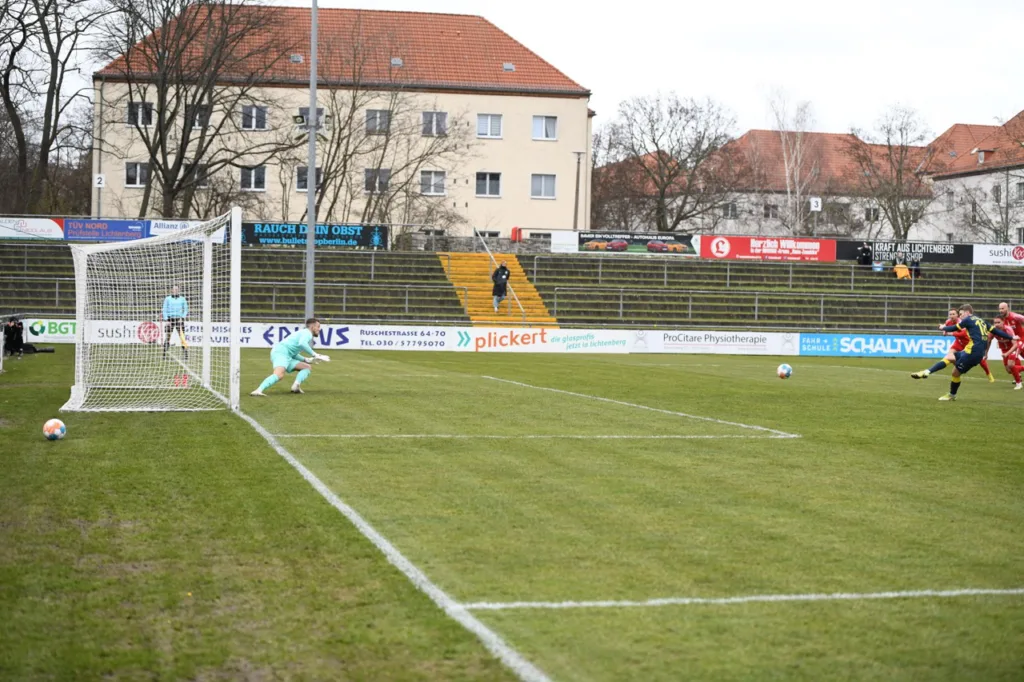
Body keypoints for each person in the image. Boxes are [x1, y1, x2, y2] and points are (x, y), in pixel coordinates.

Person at [911, 304, 1013, 400]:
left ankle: (951, 395)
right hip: (972, 351)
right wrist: (1011, 337)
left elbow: (954, 328)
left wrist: (943, 327)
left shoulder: (968, 319)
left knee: (955, 373)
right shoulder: (981, 320)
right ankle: (926, 372)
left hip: (972, 353)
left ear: (967, 312)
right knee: (949, 357)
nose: (960, 316)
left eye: (961, 314)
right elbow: (996, 331)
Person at [250, 317, 330, 396]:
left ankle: (296, 386)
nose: (319, 329)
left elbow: (293, 353)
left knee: (306, 367)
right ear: (312, 327)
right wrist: (315, 354)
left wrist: (306, 360)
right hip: (281, 353)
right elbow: (302, 344)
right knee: (279, 375)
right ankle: (258, 390)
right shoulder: (307, 333)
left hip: (286, 355)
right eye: (318, 326)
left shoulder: (304, 333)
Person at [915, 308, 995, 382]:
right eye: (950, 314)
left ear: (957, 315)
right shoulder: (948, 321)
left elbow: (963, 334)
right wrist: (944, 331)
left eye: (954, 314)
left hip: (968, 343)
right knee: (948, 356)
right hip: (958, 343)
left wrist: (951, 333)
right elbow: (945, 328)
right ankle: (928, 371)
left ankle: (988, 373)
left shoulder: (961, 322)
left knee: (981, 360)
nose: (952, 316)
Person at [990, 316, 1023, 390]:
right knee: (1009, 370)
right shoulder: (993, 330)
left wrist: (1007, 353)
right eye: (995, 323)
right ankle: (1017, 375)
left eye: (998, 322)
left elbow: (1015, 344)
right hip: (1004, 350)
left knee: (1011, 365)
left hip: (1013, 348)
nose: (996, 324)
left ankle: (1018, 383)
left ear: (1003, 322)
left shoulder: (1008, 329)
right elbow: (988, 341)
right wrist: (985, 353)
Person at [162, 285, 189, 359]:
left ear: (179, 290)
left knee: (182, 336)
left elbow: (186, 309)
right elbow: (164, 309)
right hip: (170, 319)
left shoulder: (182, 299)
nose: (176, 290)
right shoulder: (167, 299)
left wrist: (182, 318)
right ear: (172, 290)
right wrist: (166, 319)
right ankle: (164, 354)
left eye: (177, 289)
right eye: (174, 289)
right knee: (168, 336)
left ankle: (185, 354)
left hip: (179, 319)